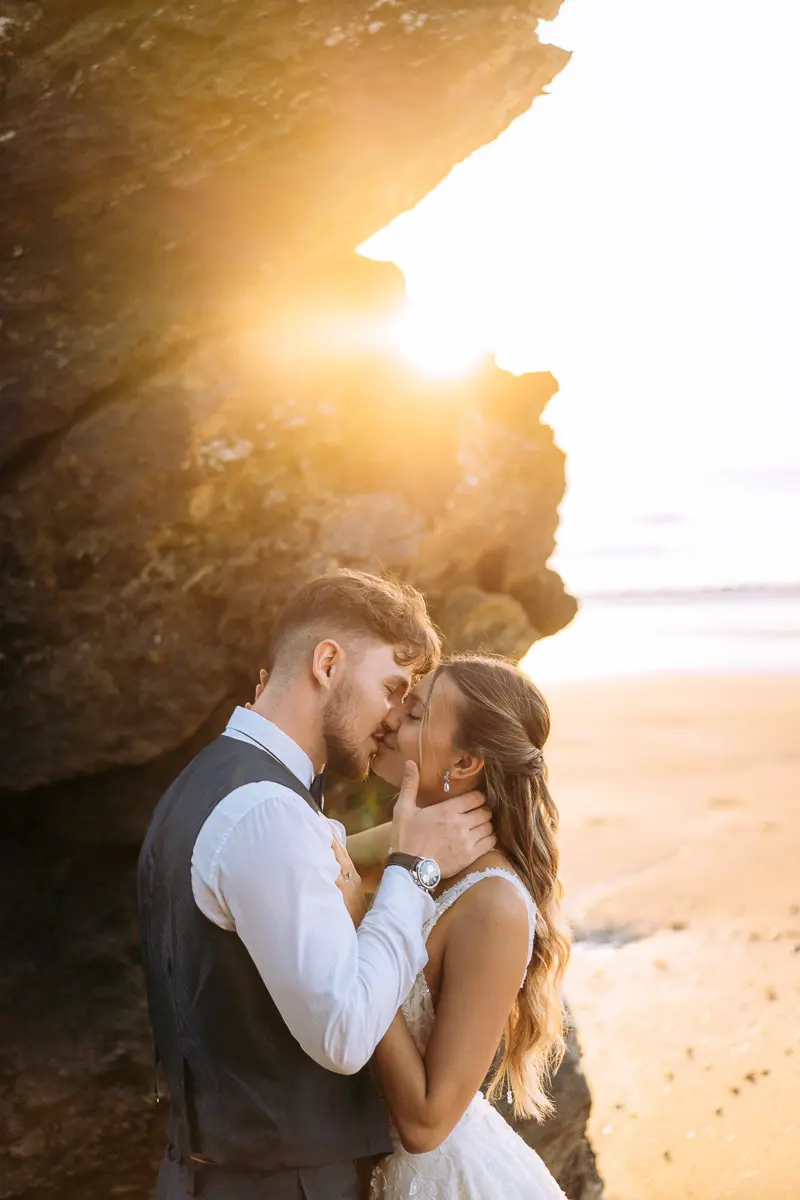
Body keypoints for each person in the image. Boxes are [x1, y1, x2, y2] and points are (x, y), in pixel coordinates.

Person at [137, 571, 496, 1200]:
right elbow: (346, 1035)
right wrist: (412, 869)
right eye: (391, 687)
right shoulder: (266, 812)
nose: (393, 720)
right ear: (327, 663)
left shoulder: (209, 787)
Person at [338, 655, 572, 1200]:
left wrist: (357, 936)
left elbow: (426, 1123)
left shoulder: (492, 906)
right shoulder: (417, 848)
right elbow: (315, 866)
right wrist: (395, 848)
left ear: (464, 762)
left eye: (416, 712)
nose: (392, 718)